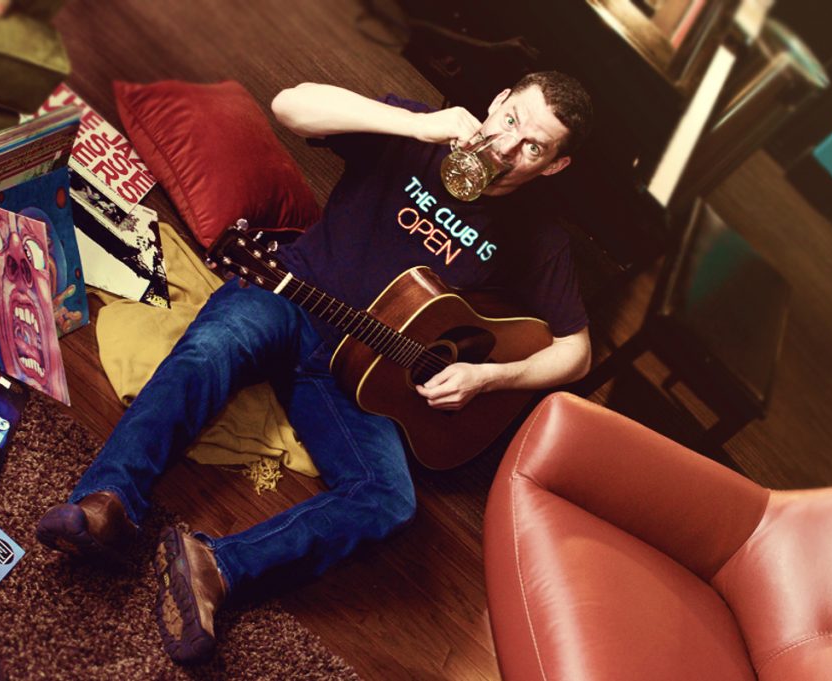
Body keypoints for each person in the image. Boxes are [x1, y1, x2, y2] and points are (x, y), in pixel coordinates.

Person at [36, 71, 593, 664]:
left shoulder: (540, 239)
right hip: (289, 298)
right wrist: (417, 126)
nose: (507, 147)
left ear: (554, 166)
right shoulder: (416, 129)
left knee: (389, 500)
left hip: (363, 379)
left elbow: (576, 351)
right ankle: (109, 502)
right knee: (209, 351)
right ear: (498, 99)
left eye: (533, 146)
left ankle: (217, 568)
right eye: (510, 119)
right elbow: (290, 105)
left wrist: (488, 377)